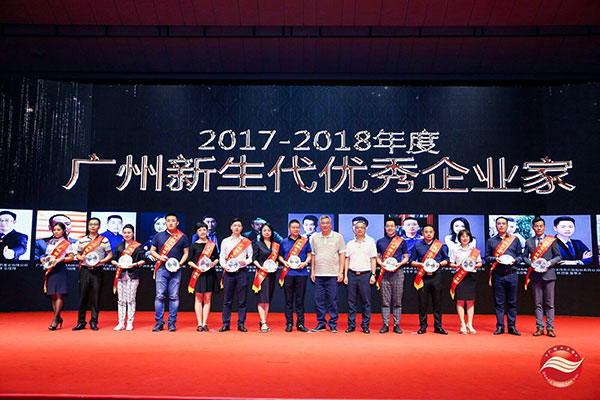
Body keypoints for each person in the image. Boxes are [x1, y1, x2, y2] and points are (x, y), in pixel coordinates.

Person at [149, 213, 189, 332]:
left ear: (177, 223)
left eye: (173, 221)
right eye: (168, 221)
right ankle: (159, 322)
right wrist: (159, 257)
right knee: (160, 296)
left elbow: (186, 253)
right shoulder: (159, 236)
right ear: (166, 222)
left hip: (176, 270)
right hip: (162, 269)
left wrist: (180, 264)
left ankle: (172, 322)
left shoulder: (182, 237)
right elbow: (152, 251)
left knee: (174, 296)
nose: (171, 223)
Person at [523, 217, 562, 337]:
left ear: (544, 227)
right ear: (533, 227)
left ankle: (550, 328)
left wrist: (549, 263)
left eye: (541, 226)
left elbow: (558, 256)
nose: (539, 228)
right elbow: (524, 257)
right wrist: (531, 264)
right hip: (535, 275)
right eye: (536, 226)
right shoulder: (529, 241)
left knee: (550, 303)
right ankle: (539, 327)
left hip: (549, 275)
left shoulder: (551, 241)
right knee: (537, 303)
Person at [485, 216, 523, 336]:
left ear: (507, 226)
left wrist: (515, 260)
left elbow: (520, 256)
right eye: (499, 224)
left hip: (512, 274)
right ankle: (500, 326)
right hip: (498, 275)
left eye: (503, 224)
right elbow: (487, 258)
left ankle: (512, 327)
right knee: (499, 303)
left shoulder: (515, 240)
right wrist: (495, 259)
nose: (501, 226)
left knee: (512, 302)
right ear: (496, 226)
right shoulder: (491, 241)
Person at [72, 218, 112, 331]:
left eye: (95, 224)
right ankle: (81, 322)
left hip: (97, 270)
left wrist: (101, 262)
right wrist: (81, 258)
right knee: (82, 296)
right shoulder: (82, 240)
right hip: (85, 270)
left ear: (99, 227)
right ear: (88, 226)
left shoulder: (104, 240)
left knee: (96, 297)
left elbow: (109, 255)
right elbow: (78, 255)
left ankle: (94, 322)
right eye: (91, 224)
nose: (93, 226)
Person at [410, 224, 449, 334]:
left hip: (436, 276)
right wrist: (421, 264)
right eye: (426, 232)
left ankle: (438, 326)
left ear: (434, 233)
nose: (428, 234)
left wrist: (439, 264)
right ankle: (423, 326)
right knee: (422, 303)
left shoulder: (440, 245)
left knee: (437, 302)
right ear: (422, 233)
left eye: (430, 232)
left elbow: (447, 260)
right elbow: (411, 261)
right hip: (423, 277)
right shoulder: (417, 245)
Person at [310, 215, 346, 333]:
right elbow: (313, 255)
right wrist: (312, 271)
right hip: (319, 274)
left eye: (327, 223)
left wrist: (340, 272)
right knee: (319, 301)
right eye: (323, 223)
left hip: (332, 274)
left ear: (331, 224)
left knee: (332, 300)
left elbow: (342, 255)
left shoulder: (338, 237)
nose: (325, 225)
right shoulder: (315, 237)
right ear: (319, 225)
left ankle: (333, 324)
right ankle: (321, 324)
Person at [375, 217, 409, 334]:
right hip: (384, 273)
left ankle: (396, 324)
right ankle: (385, 324)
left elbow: (406, 257)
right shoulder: (380, 241)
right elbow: (377, 257)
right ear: (385, 228)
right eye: (388, 226)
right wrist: (381, 264)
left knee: (397, 301)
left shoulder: (401, 241)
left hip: (398, 272)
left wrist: (400, 264)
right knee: (385, 301)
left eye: (392, 226)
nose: (390, 228)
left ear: (395, 227)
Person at [219, 218, 253, 332]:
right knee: (227, 300)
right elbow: (221, 256)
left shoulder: (246, 241)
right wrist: (224, 266)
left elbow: (251, 257)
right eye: (235, 225)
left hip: (241, 272)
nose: (237, 227)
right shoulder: (225, 241)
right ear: (231, 227)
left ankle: (241, 323)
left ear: (242, 228)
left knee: (242, 300)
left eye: (239, 226)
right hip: (229, 273)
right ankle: (226, 323)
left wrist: (245, 262)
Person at [278, 219, 312, 332]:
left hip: (302, 274)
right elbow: (280, 256)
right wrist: (284, 262)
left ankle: (300, 324)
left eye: (297, 227)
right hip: (288, 273)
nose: (295, 229)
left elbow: (309, 255)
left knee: (300, 300)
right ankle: (289, 323)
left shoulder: (305, 241)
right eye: (293, 227)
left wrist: (305, 263)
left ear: (300, 228)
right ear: (289, 229)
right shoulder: (283, 242)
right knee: (288, 300)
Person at [344, 220, 377, 334]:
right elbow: (347, 259)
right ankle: (351, 325)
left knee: (366, 302)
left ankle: (365, 325)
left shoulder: (370, 243)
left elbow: (373, 259)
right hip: (352, 274)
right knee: (351, 302)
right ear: (354, 229)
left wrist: (373, 274)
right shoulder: (350, 244)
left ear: (365, 229)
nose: (359, 229)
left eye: (361, 228)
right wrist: (345, 275)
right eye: (357, 227)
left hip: (365, 275)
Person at [111, 224, 145, 331]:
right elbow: (113, 259)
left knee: (130, 299)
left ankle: (130, 322)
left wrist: (134, 264)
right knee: (121, 300)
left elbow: (143, 260)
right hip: (121, 275)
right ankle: (121, 323)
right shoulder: (119, 246)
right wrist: (117, 264)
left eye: (129, 232)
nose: (127, 234)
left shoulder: (138, 246)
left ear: (133, 233)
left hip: (133, 275)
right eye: (125, 232)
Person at [40, 222, 74, 330]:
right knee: (53, 295)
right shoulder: (51, 242)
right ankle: (58, 317)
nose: (56, 232)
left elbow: (71, 258)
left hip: (59, 269)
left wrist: (61, 259)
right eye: (54, 230)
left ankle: (55, 319)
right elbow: (47, 255)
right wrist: (43, 258)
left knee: (59, 294)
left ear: (63, 231)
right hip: (51, 269)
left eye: (58, 230)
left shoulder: (67, 243)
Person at [187, 222, 219, 332]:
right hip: (198, 274)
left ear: (207, 231)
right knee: (198, 298)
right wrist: (197, 267)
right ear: (197, 232)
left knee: (207, 298)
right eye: (200, 230)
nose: (202, 232)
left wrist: (214, 263)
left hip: (209, 273)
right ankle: (199, 323)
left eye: (204, 230)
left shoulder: (212, 245)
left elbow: (217, 258)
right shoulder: (194, 245)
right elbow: (189, 261)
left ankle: (205, 323)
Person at [449, 229, 482, 334]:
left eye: (467, 236)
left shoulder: (474, 251)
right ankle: (462, 324)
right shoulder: (455, 249)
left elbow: (480, 263)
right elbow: (451, 263)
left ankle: (470, 324)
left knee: (470, 301)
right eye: (462, 236)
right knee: (460, 300)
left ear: (470, 238)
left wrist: (474, 265)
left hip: (471, 276)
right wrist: (457, 266)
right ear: (459, 238)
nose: (465, 238)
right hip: (460, 277)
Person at [252, 223, 280, 332]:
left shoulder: (275, 245)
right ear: (261, 232)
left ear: (272, 232)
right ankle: (263, 322)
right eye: (264, 230)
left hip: (271, 275)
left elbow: (276, 259)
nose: (267, 232)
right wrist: (261, 267)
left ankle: (264, 320)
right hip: (261, 275)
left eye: (269, 230)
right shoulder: (257, 244)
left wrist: (276, 265)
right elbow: (254, 259)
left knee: (267, 299)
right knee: (261, 299)